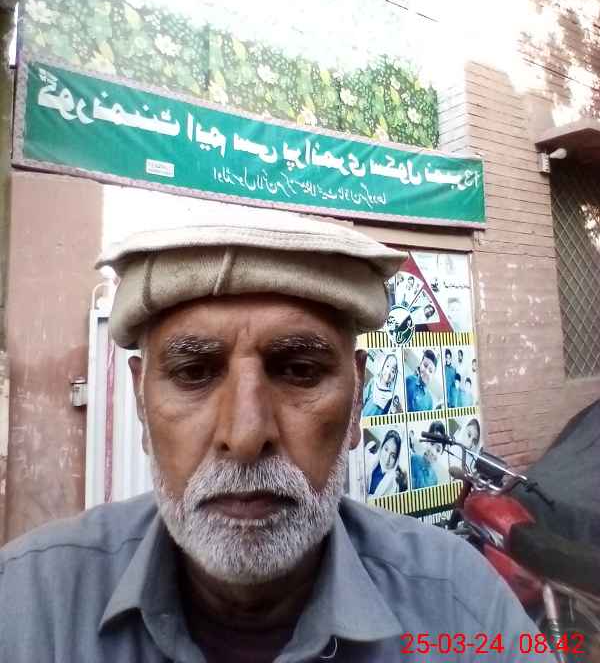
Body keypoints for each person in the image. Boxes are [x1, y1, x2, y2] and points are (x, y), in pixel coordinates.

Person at [0, 205, 555, 663]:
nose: (245, 436)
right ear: (143, 406)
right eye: (195, 373)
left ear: (356, 401)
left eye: (298, 371)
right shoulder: (28, 606)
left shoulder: (462, 607)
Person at [364, 429, 408, 497]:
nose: (387, 458)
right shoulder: (369, 460)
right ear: (381, 447)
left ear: (396, 460)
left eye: (393, 456)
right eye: (386, 449)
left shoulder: (392, 485)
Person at [410, 420, 445, 489]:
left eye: (438, 450)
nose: (433, 452)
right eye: (432, 443)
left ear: (441, 453)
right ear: (426, 440)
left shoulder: (434, 480)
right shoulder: (412, 459)